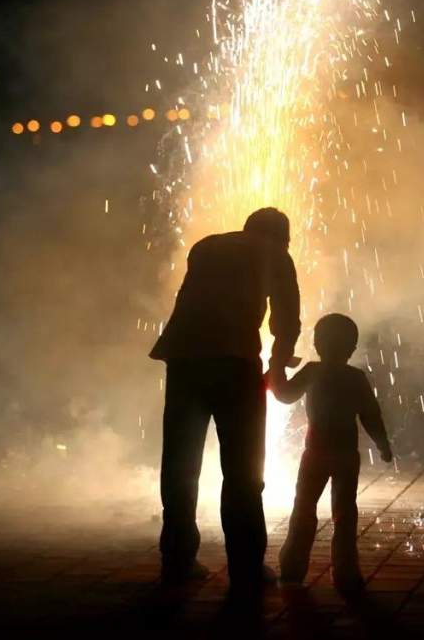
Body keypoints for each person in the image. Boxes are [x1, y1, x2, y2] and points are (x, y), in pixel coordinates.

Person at [150, 207, 301, 590]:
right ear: (282, 237)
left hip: (184, 360)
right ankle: (246, 567)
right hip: (235, 363)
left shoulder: (206, 246)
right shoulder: (276, 255)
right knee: (243, 470)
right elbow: (286, 320)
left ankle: (177, 558)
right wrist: (277, 367)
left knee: (181, 464)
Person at [268, 313, 393, 593]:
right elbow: (371, 415)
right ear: (352, 347)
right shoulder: (355, 377)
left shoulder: (312, 371)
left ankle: (292, 568)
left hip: (315, 452)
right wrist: (382, 444)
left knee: (303, 507)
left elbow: (285, 395)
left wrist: (275, 370)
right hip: (346, 455)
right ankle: (346, 571)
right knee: (345, 512)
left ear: (317, 343)